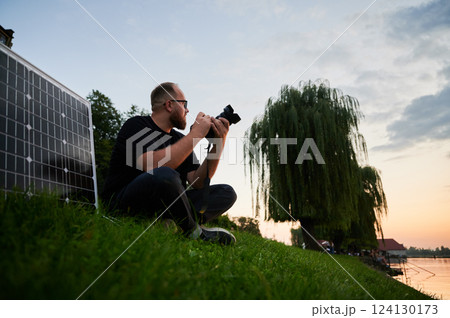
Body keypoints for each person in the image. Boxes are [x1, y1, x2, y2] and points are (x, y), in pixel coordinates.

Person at [101, 82, 237, 244]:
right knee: (165, 174)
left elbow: (199, 182)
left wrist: (218, 144)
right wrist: (195, 135)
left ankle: (170, 223)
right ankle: (194, 232)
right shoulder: (137, 125)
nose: (187, 110)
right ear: (169, 105)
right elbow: (153, 166)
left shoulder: (179, 139)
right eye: (184, 104)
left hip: (165, 206)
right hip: (125, 202)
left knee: (226, 192)